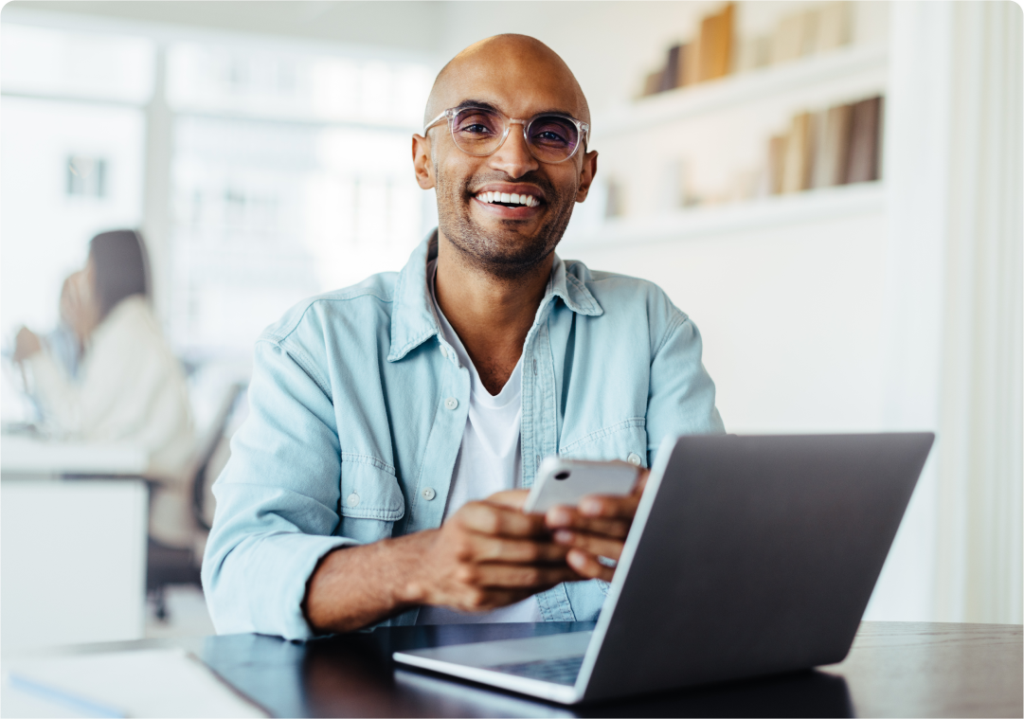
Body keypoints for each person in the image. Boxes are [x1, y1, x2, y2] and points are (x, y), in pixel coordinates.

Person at [203, 35, 723, 640]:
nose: (515, 159)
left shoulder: (651, 328)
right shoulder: (315, 346)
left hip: (584, 693)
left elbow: (713, 552)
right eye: (477, 125)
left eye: (551, 134)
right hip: (378, 699)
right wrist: (418, 567)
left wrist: (684, 537)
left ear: (585, 173)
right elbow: (239, 577)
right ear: (424, 159)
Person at [14, 229, 195, 549]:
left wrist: (38, 354)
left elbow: (74, 422)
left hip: (148, 507)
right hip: (148, 498)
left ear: (107, 270)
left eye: (87, 266)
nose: (82, 280)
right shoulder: (133, 325)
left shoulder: (126, 333)